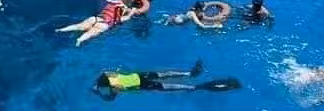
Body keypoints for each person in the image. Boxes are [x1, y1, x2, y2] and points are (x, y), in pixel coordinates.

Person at [92, 60, 241, 101]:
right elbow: (110, 72)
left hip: (142, 83)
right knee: (166, 74)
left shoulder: (114, 86)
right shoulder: (109, 75)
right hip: (141, 76)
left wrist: (98, 93)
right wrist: (99, 84)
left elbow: (111, 98)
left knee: (173, 86)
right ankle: (190, 73)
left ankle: (195, 85)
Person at [56, 1, 136, 46]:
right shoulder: (120, 17)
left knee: (78, 26)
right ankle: (79, 40)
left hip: (95, 18)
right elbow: (128, 16)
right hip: (104, 24)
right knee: (90, 33)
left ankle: (61, 29)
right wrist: (132, 11)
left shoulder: (111, 5)